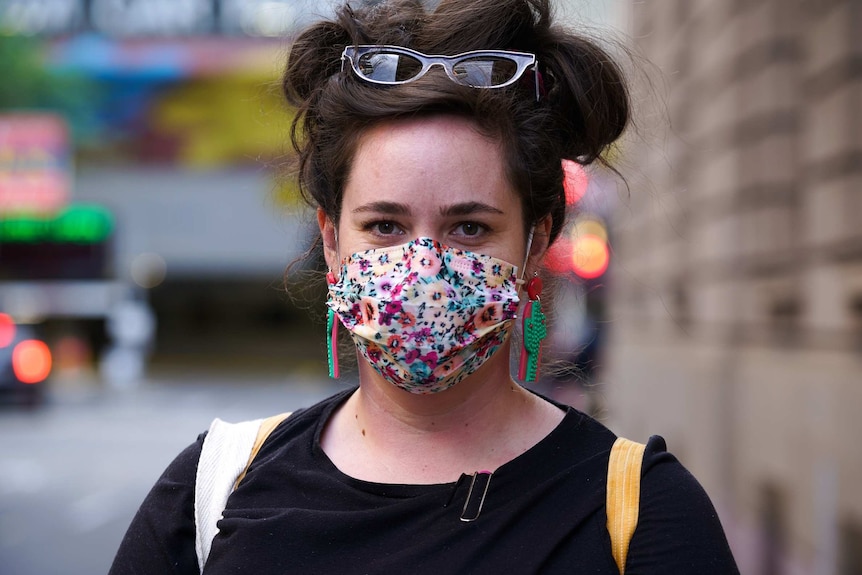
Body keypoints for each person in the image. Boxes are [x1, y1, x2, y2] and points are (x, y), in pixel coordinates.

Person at [109, 0, 739, 573]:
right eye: (384, 225)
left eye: (469, 227)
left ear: (536, 242)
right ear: (331, 240)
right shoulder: (210, 490)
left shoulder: (641, 515)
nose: (423, 269)